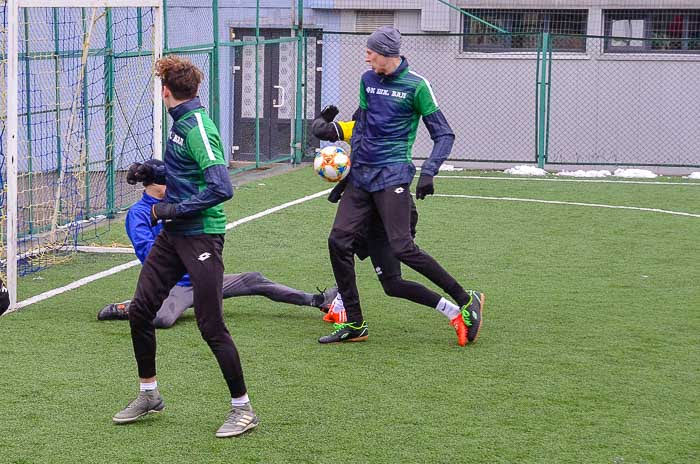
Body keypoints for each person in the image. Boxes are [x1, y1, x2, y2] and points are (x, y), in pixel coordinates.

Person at [112, 55, 256, 438]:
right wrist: (151, 171)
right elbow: (183, 170)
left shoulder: (197, 128)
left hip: (201, 237)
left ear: (165, 92)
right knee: (141, 311)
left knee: (211, 326)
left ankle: (243, 409)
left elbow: (221, 187)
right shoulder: (180, 123)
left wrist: (170, 208)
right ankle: (149, 395)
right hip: (174, 236)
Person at [320, 26, 484, 345]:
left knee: (402, 247)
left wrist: (429, 171)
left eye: (371, 52)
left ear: (387, 55)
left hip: (393, 175)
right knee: (338, 242)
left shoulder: (417, 86)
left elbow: (444, 134)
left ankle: (465, 301)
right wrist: (335, 135)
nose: (366, 56)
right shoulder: (367, 80)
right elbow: (363, 123)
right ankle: (354, 323)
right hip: (361, 177)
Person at [97, 159, 337, 328]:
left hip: (204, 277)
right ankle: (130, 308)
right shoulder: (138, 214)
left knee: (254, 279)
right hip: (176, 286)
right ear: (158, 183)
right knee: (163, 320)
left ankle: (317, 300)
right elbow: (147, 253)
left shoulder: (177, 201)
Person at [311, 106, 472, 346]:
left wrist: (324, 119)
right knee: (343, 246)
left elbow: (321, 129)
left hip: (390, 216)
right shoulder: (356, 128)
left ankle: (459, 306)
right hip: (366, 216)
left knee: (392, 280)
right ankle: (344, 309)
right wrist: (324, 120)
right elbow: (322, 130)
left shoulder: (387, 134)